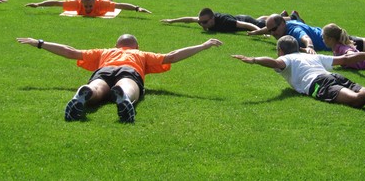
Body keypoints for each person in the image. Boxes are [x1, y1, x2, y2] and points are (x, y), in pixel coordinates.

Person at [16, 34, 222, 123]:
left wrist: (40, 42)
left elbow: (71, 51)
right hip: (129, 70)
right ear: (136, 46)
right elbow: (172, 56)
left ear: (116, 46)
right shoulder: (141, 55)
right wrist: (203, 46)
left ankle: (84, 94)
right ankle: (123, 96)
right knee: (128, 85)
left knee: (97, 86)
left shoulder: (104, 51)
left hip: (104, 69)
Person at [233, 35, 365, 120]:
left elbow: (274, 63)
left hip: (319, 84)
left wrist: (254, 59)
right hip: (334, 76)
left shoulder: (286, 59)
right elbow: (345, 59)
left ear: (280, 50)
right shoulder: (311, 56)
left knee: (356, 100)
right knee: (363, 92)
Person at [248, 14, 365, 55]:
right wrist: (257, 32)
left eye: (273, 30)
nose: (272, 34)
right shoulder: (287, 23)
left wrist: (309, 47)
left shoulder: (293, 30)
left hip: (335, 40)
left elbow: (305, 38)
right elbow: (269, 27)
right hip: (333, 35)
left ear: (282, 24)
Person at [25, 0, 151, 17]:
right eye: (86, 6)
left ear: (94, 2)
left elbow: (120, 6)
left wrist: (137, 8)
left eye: (90, 5)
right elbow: (56, 3)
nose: (88, 8)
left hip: (103, 1)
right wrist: (38, 4)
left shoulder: (101, 4)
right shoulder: (76, 3)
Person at [161, 7, 269, 32]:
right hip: (240, 18)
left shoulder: (225, 21)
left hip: (246, 20)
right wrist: (172, 21)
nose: (202, 24)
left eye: (205, 22)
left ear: (213, 19)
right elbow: (189, 19)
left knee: (263, 24)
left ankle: (282, 18)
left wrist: (259, 32)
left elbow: (246, 25)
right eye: (200, 22)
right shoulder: (203, 20)